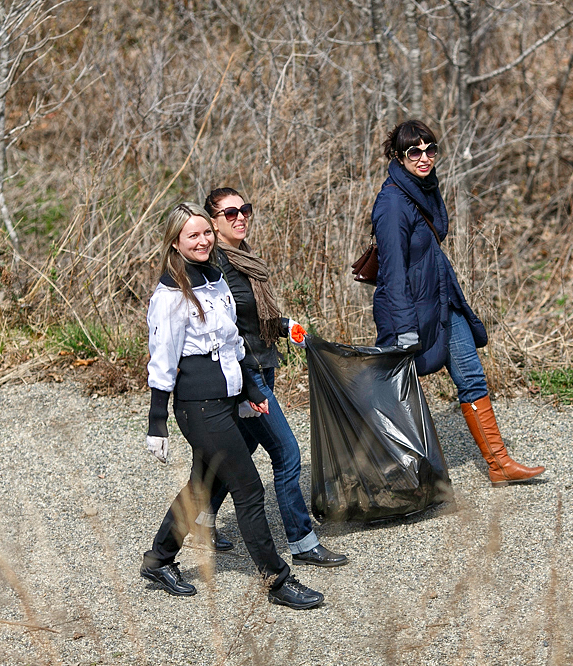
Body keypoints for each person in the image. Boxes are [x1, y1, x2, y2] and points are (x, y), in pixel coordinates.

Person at [140, 202, 324, 609]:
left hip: (227, 397)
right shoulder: (170, 294)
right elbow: (162, 362)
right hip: (199, 407)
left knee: (201, 486)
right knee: (249, 488)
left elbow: (232, 343)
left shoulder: (215, 277)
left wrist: (249, 393)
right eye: (194, 235)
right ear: (175, 242)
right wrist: (157, 422)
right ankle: (276, 580)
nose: (204, 240)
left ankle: (159, 558)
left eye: (206, 233)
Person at [370, 120, 547, 487]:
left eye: (430, 149)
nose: (424, 157)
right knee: (397, 392)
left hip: (444, 301)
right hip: (411, 313)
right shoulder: (391, 203)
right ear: (398, 157)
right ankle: (387, 475)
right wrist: (403, 328)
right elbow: (393, 273)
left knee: (473, 379)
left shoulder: (424, 190)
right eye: (414, 152)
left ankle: (499, 464)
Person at [202, 187, 348, 568]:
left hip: (264, 362)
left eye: (244, 210)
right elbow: (225, 330)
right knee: (286, 454)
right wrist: (248, 381)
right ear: (213, 223)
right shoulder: (218, 267)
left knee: (244, 447)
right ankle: (302, 542)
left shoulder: (244, 258)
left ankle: (201, 518)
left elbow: (252, 318)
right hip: (248, 374)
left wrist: (285, 326)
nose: (240, 217)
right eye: (230, 213)